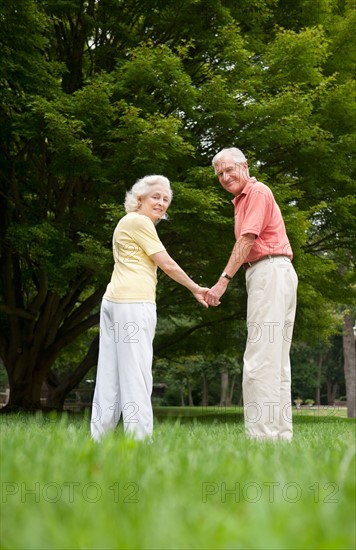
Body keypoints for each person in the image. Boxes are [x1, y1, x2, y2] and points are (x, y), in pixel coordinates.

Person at [91, 175, 209, 442]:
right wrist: (195, 288)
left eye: (166, 199)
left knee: (110, 375)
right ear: (139, 198)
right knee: (137, 373)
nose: (161, 203)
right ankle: (140, 441)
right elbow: (166, 263)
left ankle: (100, 439)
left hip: (115, 301)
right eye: (156, 196)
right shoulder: (140, 221)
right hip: (133, 303)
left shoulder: (127, 223)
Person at [206, 148, 298, 441]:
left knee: (260, 359)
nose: (225, 176)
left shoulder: (257, 192)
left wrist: (222, 281)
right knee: (277, 361)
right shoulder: (243, 199)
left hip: (269, 272)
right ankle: (280, 438)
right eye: (219, 173)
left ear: (245, 166)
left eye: (229, 169)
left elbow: (247, 239)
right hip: (277, 273)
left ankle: (261, 439)